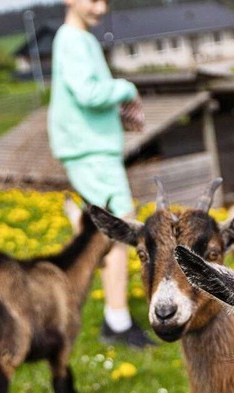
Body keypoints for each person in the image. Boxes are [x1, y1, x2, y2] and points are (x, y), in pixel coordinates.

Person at [49, 0, 154, 349]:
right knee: (121, 231)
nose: (101, 6)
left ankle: (111, 314)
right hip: (90, 150)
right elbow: (88, 93)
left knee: (109, 230)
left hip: (94, 148)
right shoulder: (72, 40)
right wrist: (125, 88)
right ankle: (117, 322)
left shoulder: (82, 40)